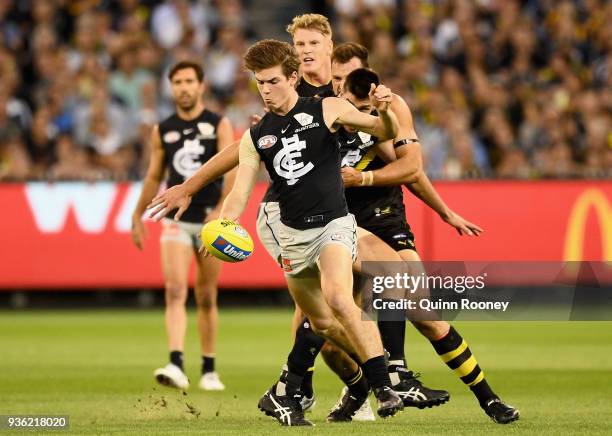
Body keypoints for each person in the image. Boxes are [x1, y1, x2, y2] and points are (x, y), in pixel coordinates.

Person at [221, 38, 404, 426]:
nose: (266, 91)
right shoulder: (257, 136)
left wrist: (386, 113)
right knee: (321, 323)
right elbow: (240, 190)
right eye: (259, 83)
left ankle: (383, 386)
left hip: (334, 225)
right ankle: (359, 382)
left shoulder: (328, 108)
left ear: (292, 76)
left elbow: (381, 128)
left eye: (272, 81)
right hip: (292, 234)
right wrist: (224, 223)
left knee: (339, 295)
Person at [131, 61, 235, 391]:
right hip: (176, 220)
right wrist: (137, 214)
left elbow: (233, 170)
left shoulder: (219, 124)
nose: (184, 87)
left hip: (209, 221)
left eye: (189, 81)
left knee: (206, 295)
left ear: (201, 85)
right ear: (171, 87)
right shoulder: (162, 129)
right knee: (175, 290)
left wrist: (221, 211)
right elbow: (153, 175)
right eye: (177, 82)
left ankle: (208, 368)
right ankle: (176, 363)